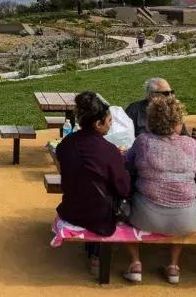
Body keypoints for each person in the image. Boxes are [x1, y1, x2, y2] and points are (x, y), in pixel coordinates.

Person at [123, 96, 196, 284]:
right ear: (178, 122)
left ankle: (135, 262)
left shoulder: (143, 141)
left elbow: (127, 165)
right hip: (187, 220)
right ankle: (173, 266)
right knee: (185, 201)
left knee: (120, 207)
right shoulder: (191, 144)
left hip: (146, 217)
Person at [56, 92, 131, 278]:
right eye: (109, 120)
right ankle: (99, 257)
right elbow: (124, 189)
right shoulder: (109, 150)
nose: (111, 123)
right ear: (98, 124)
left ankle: (94, 254)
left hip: (71, 210)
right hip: (100, 218)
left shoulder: (65, 144)